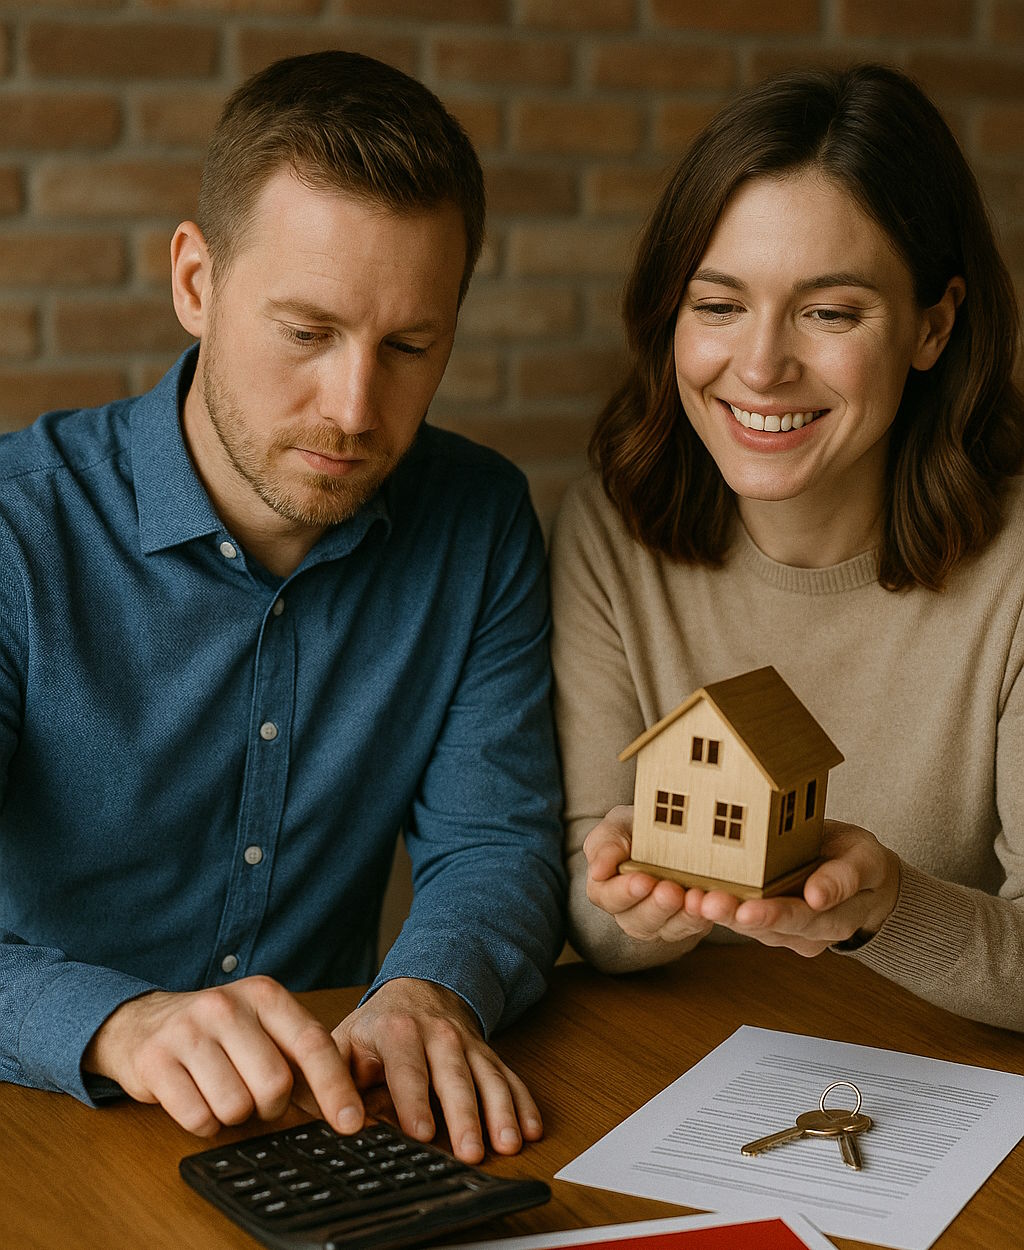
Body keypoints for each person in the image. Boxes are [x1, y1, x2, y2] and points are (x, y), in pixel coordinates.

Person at [0, 50, 566, 1162]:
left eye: (409, 346)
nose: (354, 407)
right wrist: (118, 1022)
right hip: (40, 1119)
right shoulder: (18, 532)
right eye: (306, 332)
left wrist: (428, 989)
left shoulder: (480, 518)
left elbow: (496, 842)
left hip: (324, 1128)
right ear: (195, 283)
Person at [550, 64, 1024, 1031]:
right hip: (684, 1082)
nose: (761, 367)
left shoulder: (1014, 570)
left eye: (831, 312)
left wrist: (884, 907)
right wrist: (640, 899)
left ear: (933, 325)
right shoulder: (608, 530)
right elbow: (593, 926)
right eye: (718, 305)